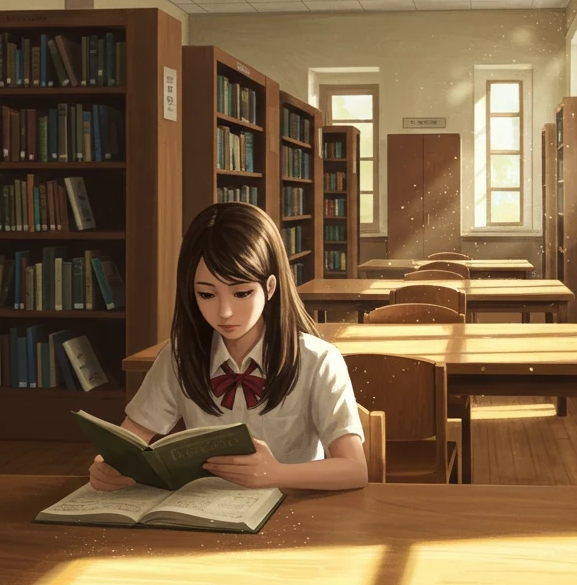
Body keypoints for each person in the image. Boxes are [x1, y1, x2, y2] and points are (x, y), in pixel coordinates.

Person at [89, 202, 368, 492]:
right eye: (207, 294)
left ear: (270, 287)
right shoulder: (180, 358)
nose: (224, 312)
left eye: (241, 292)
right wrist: (106, 467)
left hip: (291, 511)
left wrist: (277, 474)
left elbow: (355, 469)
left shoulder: (318, 360)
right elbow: (127, 441)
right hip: (205, 512)